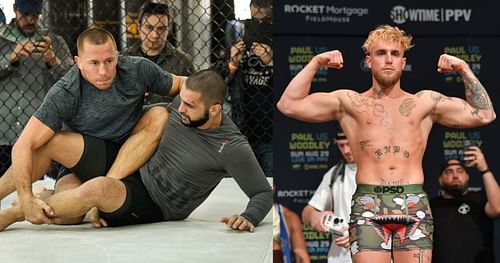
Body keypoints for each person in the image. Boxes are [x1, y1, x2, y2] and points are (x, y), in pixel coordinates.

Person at [277, 24, 496, 263]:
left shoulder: (424, 103)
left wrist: (463, 69)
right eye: (381, 53)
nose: (388, 60)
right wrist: (316, 62)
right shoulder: (350, 102)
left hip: (413, 203)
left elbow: (485, 114)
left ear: (403, 61)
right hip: (368, 202)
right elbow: (288, 104)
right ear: (369, 61)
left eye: (395, 54)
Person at [0, 69, 273, 233]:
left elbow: (262, 192)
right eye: (182, 100)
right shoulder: (183, 103)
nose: (180, 108)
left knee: (96, 191)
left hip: (154, 202)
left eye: (189, 105)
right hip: (133, 165)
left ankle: (14, 214)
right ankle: (40, 197)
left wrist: (248, 217)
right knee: (53, 142)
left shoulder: (232, 147)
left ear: (214, 110)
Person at [0, 26, 186, 226]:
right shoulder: (66, 92)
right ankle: (34, 198)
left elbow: (183, 85)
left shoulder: (137, 69)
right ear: (78, 62)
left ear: (117, 55)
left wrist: (211, 103)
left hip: (130, 154)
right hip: (85, 159)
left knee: (159, 115)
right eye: (94, 63)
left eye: (109, 61)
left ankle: (21, 210)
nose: (104, 71)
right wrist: (26, 197)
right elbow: (24, 145)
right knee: (68, 217)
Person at [0, 0, 73, 176]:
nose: (31, 20)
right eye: (25, 15)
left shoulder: (54, 42)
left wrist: (53, 61)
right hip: (3, 131)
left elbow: (73, 81)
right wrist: (10, 58)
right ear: (15, 10)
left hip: (36, 134)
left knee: (36, 188)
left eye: (35, 14)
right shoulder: (2, 40)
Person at [225, 0, 273, 177]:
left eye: (264, 6)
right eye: (256, 5)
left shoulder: (282, 37)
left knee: (272, 184)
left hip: (271, 130)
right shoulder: (236, 32)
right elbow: (222, 85)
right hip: (243, 128)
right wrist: (232, 63)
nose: (259, 10)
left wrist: (272, 63)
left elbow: (294, 80)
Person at [431, 151, 500, 263]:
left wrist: (484, 169)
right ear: (440, 180)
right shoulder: (432, 206)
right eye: (449, 172)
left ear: (467, 176)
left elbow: (497, 208)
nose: (455, 176)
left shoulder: (480, 199)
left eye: (460, 171)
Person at [122, 1, 195, 105]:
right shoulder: (124, 58)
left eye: (161, 28)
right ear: (139, 27)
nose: (154, 35)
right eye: (149, 27)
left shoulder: (183, 61)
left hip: (167, 118)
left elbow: (194, 96)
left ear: (168, 30)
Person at [301, 127, 356, 263]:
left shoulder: (382, 173)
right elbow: (306, 212)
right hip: (340, 257)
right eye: (341, 146)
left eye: (349, 144)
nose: (346, 151)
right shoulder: (335, 173)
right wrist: (315, 216)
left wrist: (362, 233)